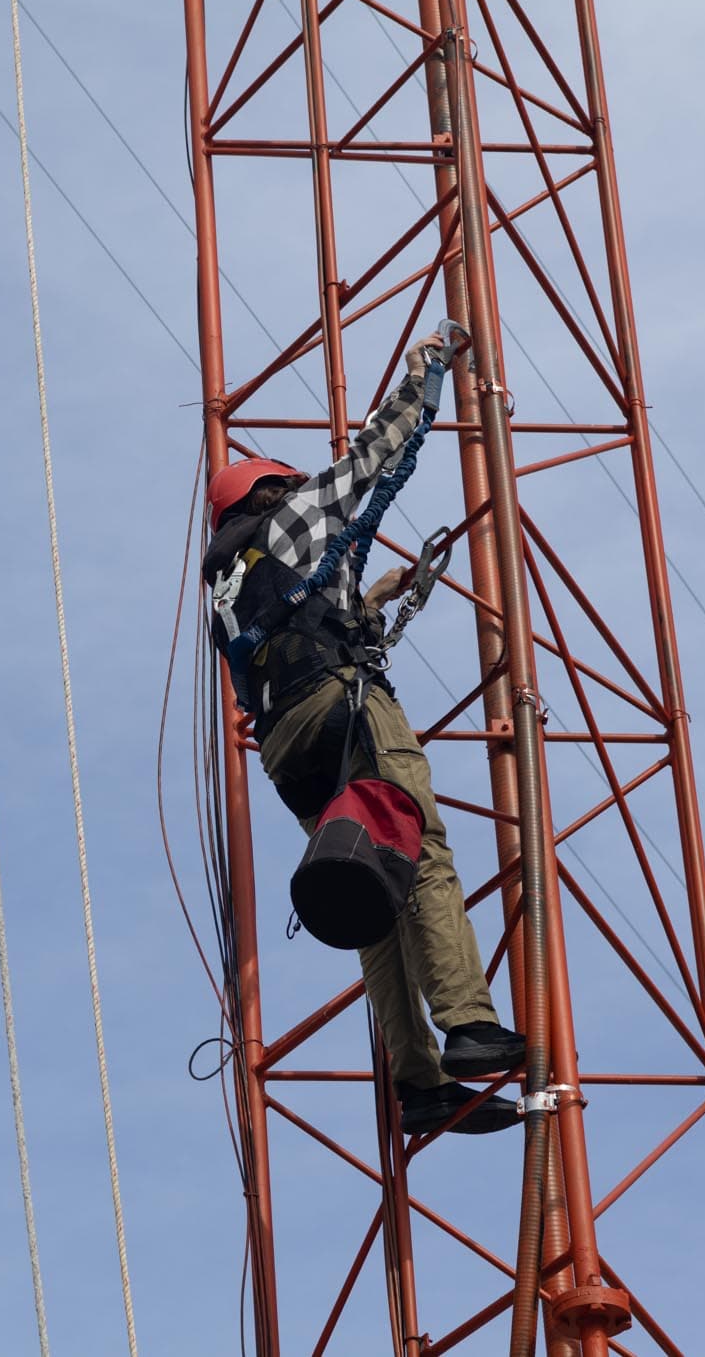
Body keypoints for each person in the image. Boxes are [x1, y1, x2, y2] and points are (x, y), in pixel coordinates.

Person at [202, 333, 526, 1136]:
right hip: (345, 710)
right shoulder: (291, 516)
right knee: (419, 847)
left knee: (369, 882)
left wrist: (374, 599)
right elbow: (372, 458)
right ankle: (470, 1024)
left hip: (288, 748)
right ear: (271, 492)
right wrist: (425, 375)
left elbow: (300, 637)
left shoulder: (228, 582)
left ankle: (418, 1083)